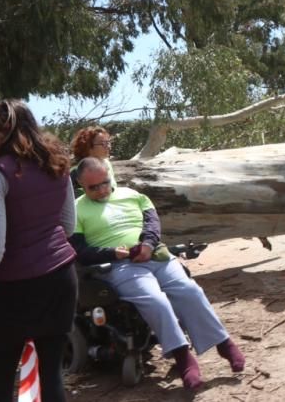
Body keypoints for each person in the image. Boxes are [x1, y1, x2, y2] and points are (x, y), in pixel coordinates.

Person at [70, 157, 245, 391]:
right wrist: (112, 253)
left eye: (105, 183)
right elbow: (80, 251)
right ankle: (183, 357)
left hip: (154, 256)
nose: (102, 190)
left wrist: (148, 245)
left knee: (189, 289)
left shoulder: (133, 195)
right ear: (82, 185)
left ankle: (223, 343)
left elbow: (152, 224)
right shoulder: (76, 209)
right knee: (155, 299)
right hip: (118, 265)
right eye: (94, 187)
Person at [0, 100, 77, 402]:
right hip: (62, 280)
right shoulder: (56, 163)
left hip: (16, 291)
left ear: (3, 130)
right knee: (51, 378)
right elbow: (68, 225)